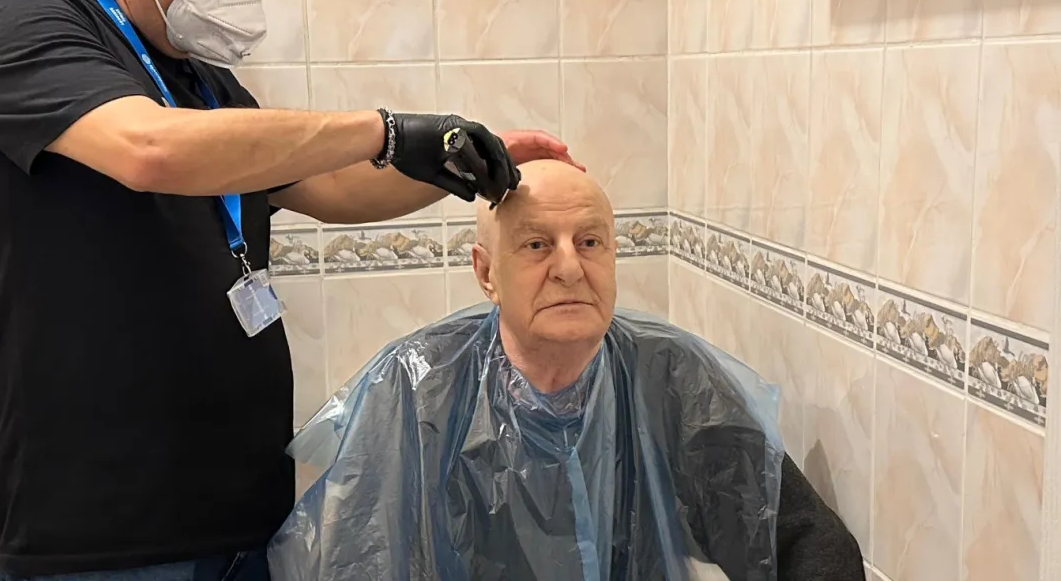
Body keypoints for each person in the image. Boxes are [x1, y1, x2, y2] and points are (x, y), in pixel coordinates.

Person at [0, 0, 576, 579]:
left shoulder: (205, 83)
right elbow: (149, 150)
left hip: (242, 523)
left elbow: (333, 186)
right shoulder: (19, 20)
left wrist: (452, 165)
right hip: (99, 540)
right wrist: (386, 130)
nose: (245, 5)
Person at [269, 161, 865, 580]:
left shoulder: (669, 376)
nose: (569, 268)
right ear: (486, 272)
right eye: (536, 245)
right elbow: (353, 559)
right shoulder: (419, 387)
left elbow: (801, 537)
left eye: (590, 242)